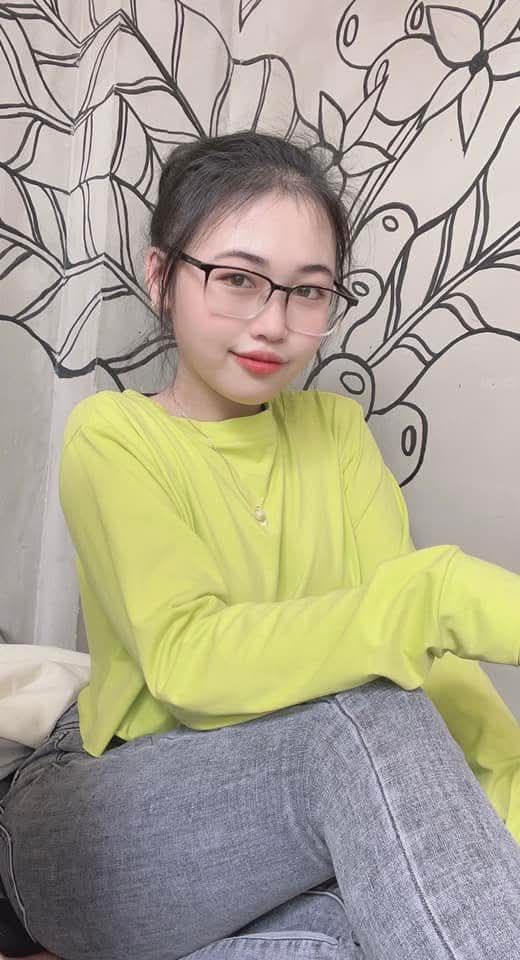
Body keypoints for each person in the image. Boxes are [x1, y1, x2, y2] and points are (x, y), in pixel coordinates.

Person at [0, 131, 519, 960]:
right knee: (366, 717)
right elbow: (190, 662)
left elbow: (429, 668)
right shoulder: (114, 435)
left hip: (285, 838)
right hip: (97, 818)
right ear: (161, 277)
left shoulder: (335, 432)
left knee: (373, 919)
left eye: (308, 292)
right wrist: (441, 596)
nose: (274, 324)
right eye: (238, 279)